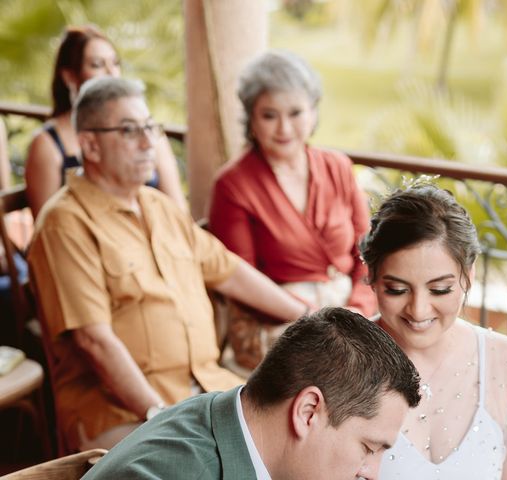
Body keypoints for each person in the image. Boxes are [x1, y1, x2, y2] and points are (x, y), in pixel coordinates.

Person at [27, 76, 311, 453]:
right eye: (129, 131)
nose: (149, 143)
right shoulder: (65, 223)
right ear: (91, 145)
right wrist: (162, 418)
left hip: (207, 388)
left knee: (305, 437)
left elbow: (228, 270)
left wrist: (309, 317)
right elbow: (94, 342)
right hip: (124, 411)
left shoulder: (158, 206)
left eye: (150, 128)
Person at [82, 307, 421, 480]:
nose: (372, 472)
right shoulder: (177, 473)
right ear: (307, 411)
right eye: (368, 448)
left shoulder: (231, 420)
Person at [359, 181, 507, 479]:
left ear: (469, 274)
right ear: (371, 275)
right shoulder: (343, 363)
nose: (419, 310)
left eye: (440, 289)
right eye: (397, 289)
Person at [209, 50, 376, 371]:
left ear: (313, 113)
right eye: (269, 115)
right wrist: (309, 315)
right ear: (251, 120)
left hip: (351, 310)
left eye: (296, 112)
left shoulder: (337, 166)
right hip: (281, 319)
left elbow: (368, 252)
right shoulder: (232, 185)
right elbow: (239, 279)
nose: (284, 128)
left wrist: (360, 307)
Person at [25, 25, 186, 219]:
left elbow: (179, 213)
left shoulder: (151, 136)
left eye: (115, 63)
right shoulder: (47, 144)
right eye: (97, 65)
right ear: (69, 76)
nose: (111, 72)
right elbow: (47, 227)